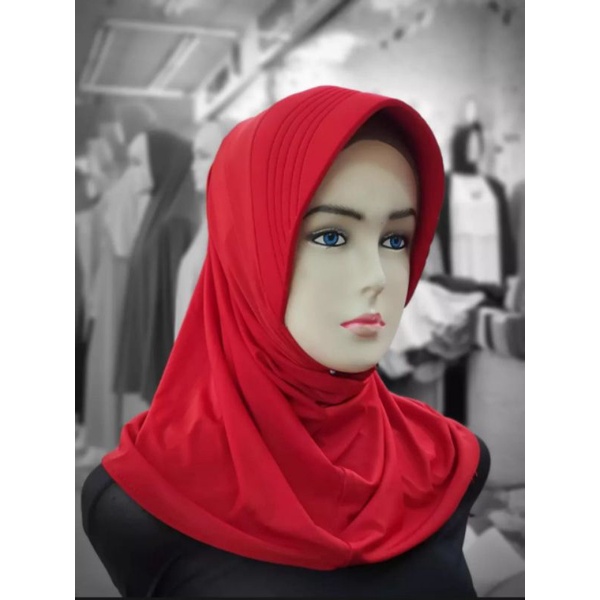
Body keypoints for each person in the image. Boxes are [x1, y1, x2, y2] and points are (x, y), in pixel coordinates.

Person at [82, 86, 490, 598]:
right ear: (251, 252)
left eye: (395, 240)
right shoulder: (139, 505)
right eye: (331, 236)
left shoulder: (449, 463)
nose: (378, 277)